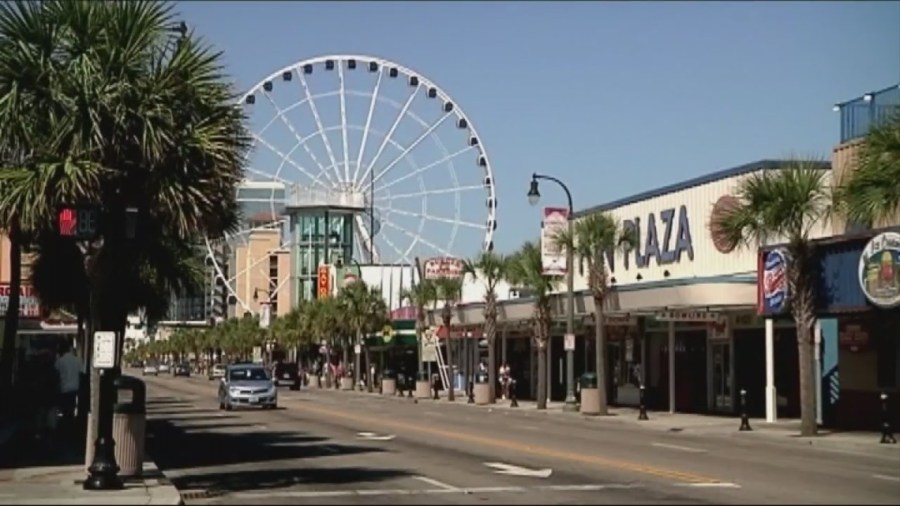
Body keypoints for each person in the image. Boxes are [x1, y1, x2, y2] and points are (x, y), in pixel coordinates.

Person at [55, 340, 81, 437]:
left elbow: (56, 372)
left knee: (64, 410)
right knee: (71, 409)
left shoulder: (60, 361)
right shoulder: (76, 360)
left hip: (64, 388)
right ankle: (70, 429)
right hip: (75, 388)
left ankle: (65, 430)